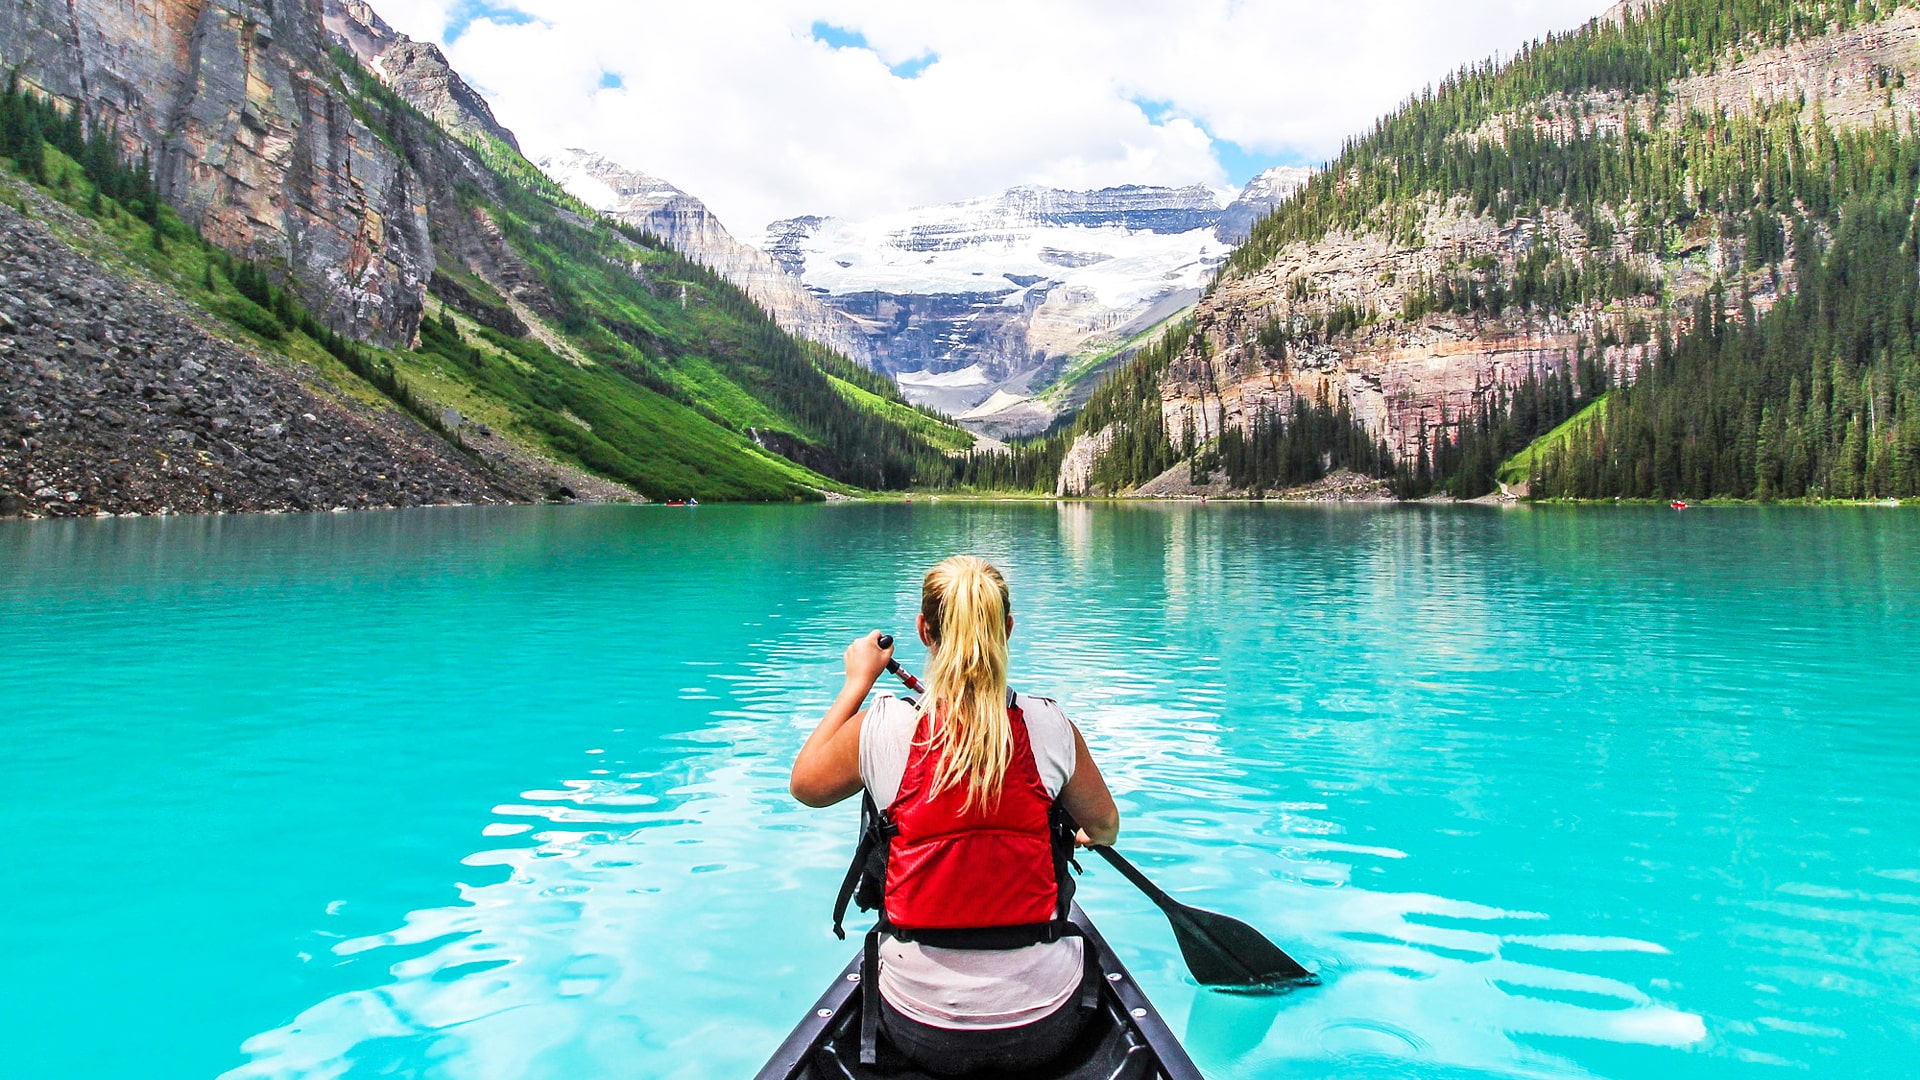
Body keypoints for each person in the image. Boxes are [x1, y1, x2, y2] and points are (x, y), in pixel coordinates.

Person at [790, 555, 1121, 1075]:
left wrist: (857, 682)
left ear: (924, 631)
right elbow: (1106, 828)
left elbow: (805, 785)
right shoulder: (1050, 725)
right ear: (1008, 630)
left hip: (918, 1026)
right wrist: (1079, 830)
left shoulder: (881, 728)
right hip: (1045, 1023)